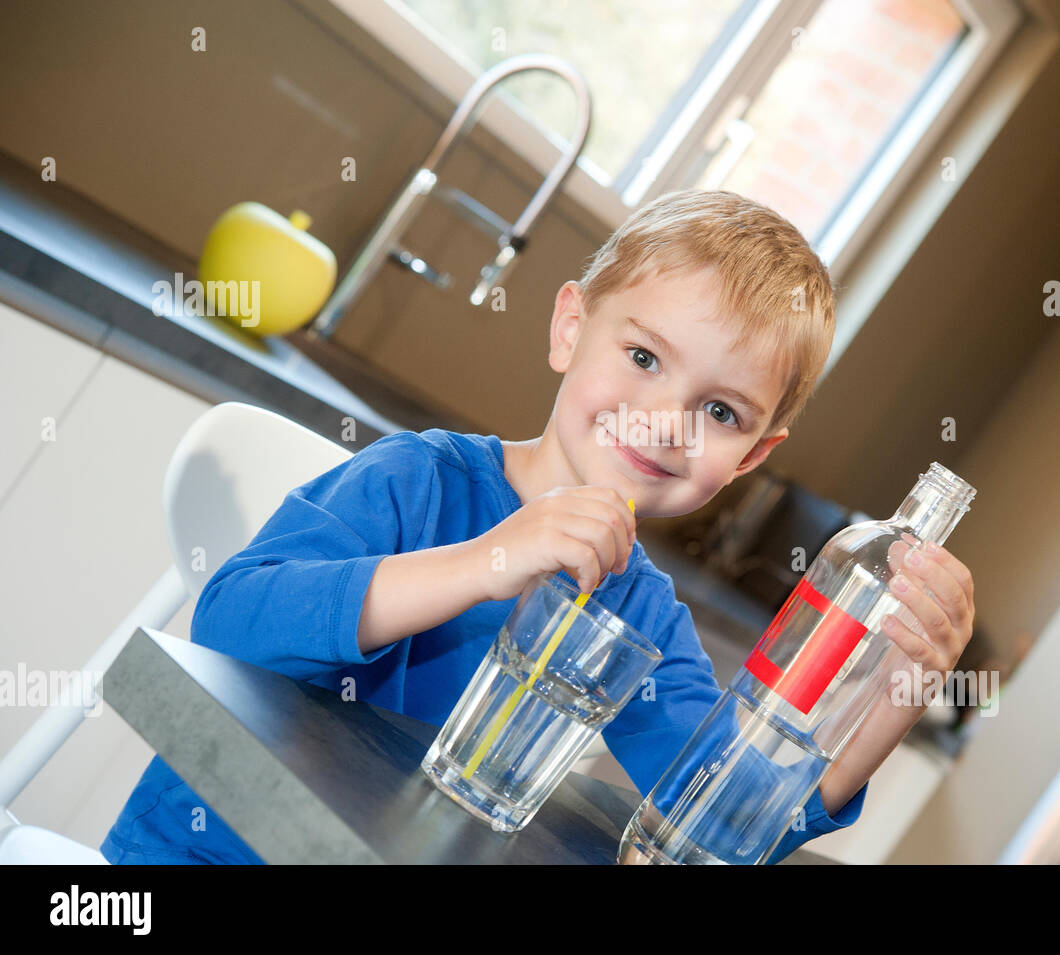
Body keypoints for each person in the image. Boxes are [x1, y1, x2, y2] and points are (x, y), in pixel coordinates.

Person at [101, 189, 976, 865]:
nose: (666, 421)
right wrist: (492, 559)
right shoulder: (423, 478)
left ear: (751, 457)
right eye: (643, 358)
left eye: (719, 409)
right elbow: (233, 618)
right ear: (569, 328)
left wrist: (893, 695)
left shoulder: (642, 613)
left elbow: (714, 822)